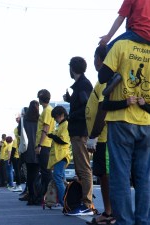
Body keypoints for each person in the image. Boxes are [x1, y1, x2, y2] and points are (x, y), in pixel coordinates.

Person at [98, 38, 150, 225]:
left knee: (120, 175)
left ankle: (125, 222)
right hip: (146, 123)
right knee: (144, 178)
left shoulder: (121, 45)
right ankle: (144, 221)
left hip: (121, 121)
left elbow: (102, 76)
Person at [85, 46, 115, 225]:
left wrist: (93, 136)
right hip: (101, 137)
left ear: (100, 59)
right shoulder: (101, 80)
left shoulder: (104, 78)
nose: (94, 62)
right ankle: (109, 212)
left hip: (103, 137)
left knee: (106, 176)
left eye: (94, 58)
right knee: (103, 175)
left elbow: (103, 110)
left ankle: (110, 213)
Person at [63, 56, 94, 216]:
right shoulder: (81, 85)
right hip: (78, 132)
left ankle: (87, 204)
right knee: (82, 169)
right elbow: (83, 104)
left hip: (80, 132)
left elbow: (86, 108)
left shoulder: (82, 85)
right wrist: (70, 100)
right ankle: (84, 203)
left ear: (72, 69)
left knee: (84, 169)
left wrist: (71, 115)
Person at [46, 106, 71, 207]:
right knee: (62, 178)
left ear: (61, 115)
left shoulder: (65, 124)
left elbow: (63, 140)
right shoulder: (60, 125)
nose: (55, 120)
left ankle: (63, 201)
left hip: (62, 156)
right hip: (58, 156)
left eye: (56, 117)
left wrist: (52, 136)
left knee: (57, 178)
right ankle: (67, 199)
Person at [18, 100, 40, 206]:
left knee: (30, 176)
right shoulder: (40, 119)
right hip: (38, 150)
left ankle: (31, 196)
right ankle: (36, 197)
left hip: (27, 151)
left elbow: (19, 133)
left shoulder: (24, 120)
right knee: (36, 175)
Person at [36, 89, 55, 197]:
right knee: (44, 172)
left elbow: (46, 128)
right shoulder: (46, 110)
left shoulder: (47, 110)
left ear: (39, 98)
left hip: (45, 144)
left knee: (46, 172)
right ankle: (45, 195)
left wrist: (39, 145)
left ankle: (49, 196)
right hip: (45, 144)